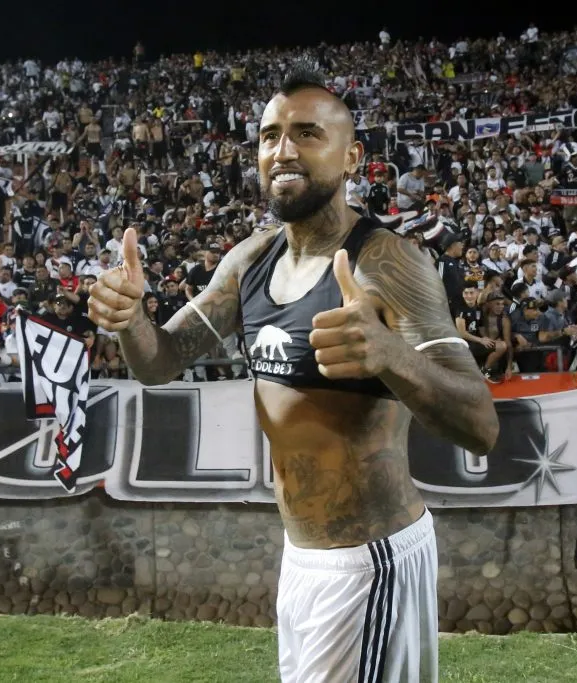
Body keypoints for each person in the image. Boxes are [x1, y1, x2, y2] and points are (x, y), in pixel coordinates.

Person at [88, 65, 499, 683]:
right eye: (270, 136)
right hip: (302, 560)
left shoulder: (390, 263)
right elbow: (160, 361)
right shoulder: (250, 259)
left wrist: (391, 355)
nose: (282, 151)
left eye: (307, 133)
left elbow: (481, 427)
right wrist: (130, 319)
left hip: (369, 562)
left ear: (352, 157)